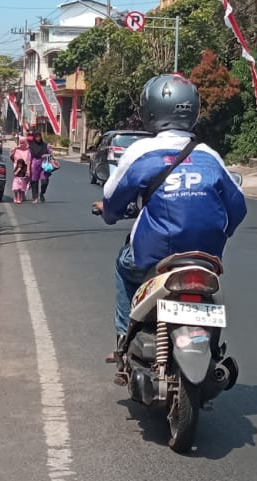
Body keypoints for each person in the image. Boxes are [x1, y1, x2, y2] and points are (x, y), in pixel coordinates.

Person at [93, 74, 248, 341]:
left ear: (151, 109)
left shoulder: (141, 151)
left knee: (124, 265)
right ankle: (210, 345)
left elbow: (112, 197)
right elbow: (238, 207)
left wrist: (108, 213)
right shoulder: (209, 155)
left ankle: (124, 336)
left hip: (153, 255)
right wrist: (222, 232)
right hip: (205, 258)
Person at [27, 132, 54, 203]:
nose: (38, 138)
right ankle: (35, 197)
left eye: (39, 136)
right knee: (34, 182)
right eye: (36, 137)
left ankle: (42, 193)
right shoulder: (31, 146)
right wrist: (28, 169)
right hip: (34, 165)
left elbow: (51, 154)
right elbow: (29, 158)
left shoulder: (45, 145)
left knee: (44, 181)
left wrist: (46, 155)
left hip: (44, 164)